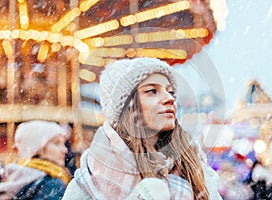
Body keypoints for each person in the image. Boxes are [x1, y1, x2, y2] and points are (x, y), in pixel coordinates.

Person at [62, 58, 221, 199]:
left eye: (170, 91)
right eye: (152, 91)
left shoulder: (195, 168)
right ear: (127, 107)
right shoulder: (91, 182)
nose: (169, 98)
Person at [0, 120, 71, 199]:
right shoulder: (53, 184)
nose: (65, 150)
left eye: (63, 143)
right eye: (57, 143)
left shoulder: (11, 176)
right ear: (39, 148)